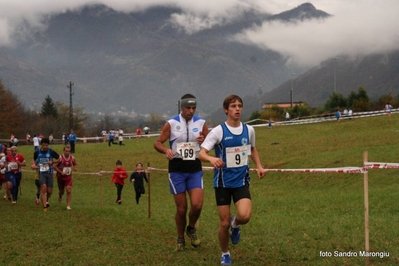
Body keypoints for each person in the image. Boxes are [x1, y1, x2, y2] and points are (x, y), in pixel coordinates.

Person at [198, 94, 267, 266]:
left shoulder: (249, 130)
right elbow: (201, 153)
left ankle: (235, 224)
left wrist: (259, 166)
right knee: (223, 223)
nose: (237, 109)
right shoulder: (218, 131)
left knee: (245, 216)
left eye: (240, 106)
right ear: (226, 110)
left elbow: (252, 148)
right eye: (233, 106)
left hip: (241, 180)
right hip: (222, 183)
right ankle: (225, 253)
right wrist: (212, 159)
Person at [154, 93, 209, 251]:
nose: (191, 111)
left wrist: (204, 140)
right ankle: (180, 238)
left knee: (197, 205)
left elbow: (211, 141)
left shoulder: (201, 123)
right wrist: (165, 150)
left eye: (193, 108)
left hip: (194, 167)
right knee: (182, 208)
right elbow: (157, 142)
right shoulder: (171, 123)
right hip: (177, 168)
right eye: (188, 108)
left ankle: (191, 228)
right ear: (181, 107)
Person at [31, 138, 60, 211]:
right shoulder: (37, 152)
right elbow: (34, 159)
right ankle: (44, 206)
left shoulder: (51, 151)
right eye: (44, 145)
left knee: (50, 191)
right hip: (41, 173)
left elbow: (59, 159)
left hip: (49, 172)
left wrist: (52, 162)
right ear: (41, 145)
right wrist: (33, 165)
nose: (45, 147)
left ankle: (47, 200)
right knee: (43, 188)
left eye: (46, 145)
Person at [54, 145, 77, 210]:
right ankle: (60, 196)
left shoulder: (72, 158)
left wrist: (75, 167)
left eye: (68, 151)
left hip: (68, 177)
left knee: (68, 190)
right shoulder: (60, 158)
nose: (67, 153)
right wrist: (61, 172)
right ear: (63, 151)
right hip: (60, 177)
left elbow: (75, 164)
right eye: (66, 151)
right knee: (62, 191)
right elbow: (54, 166)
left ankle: (68, 206)